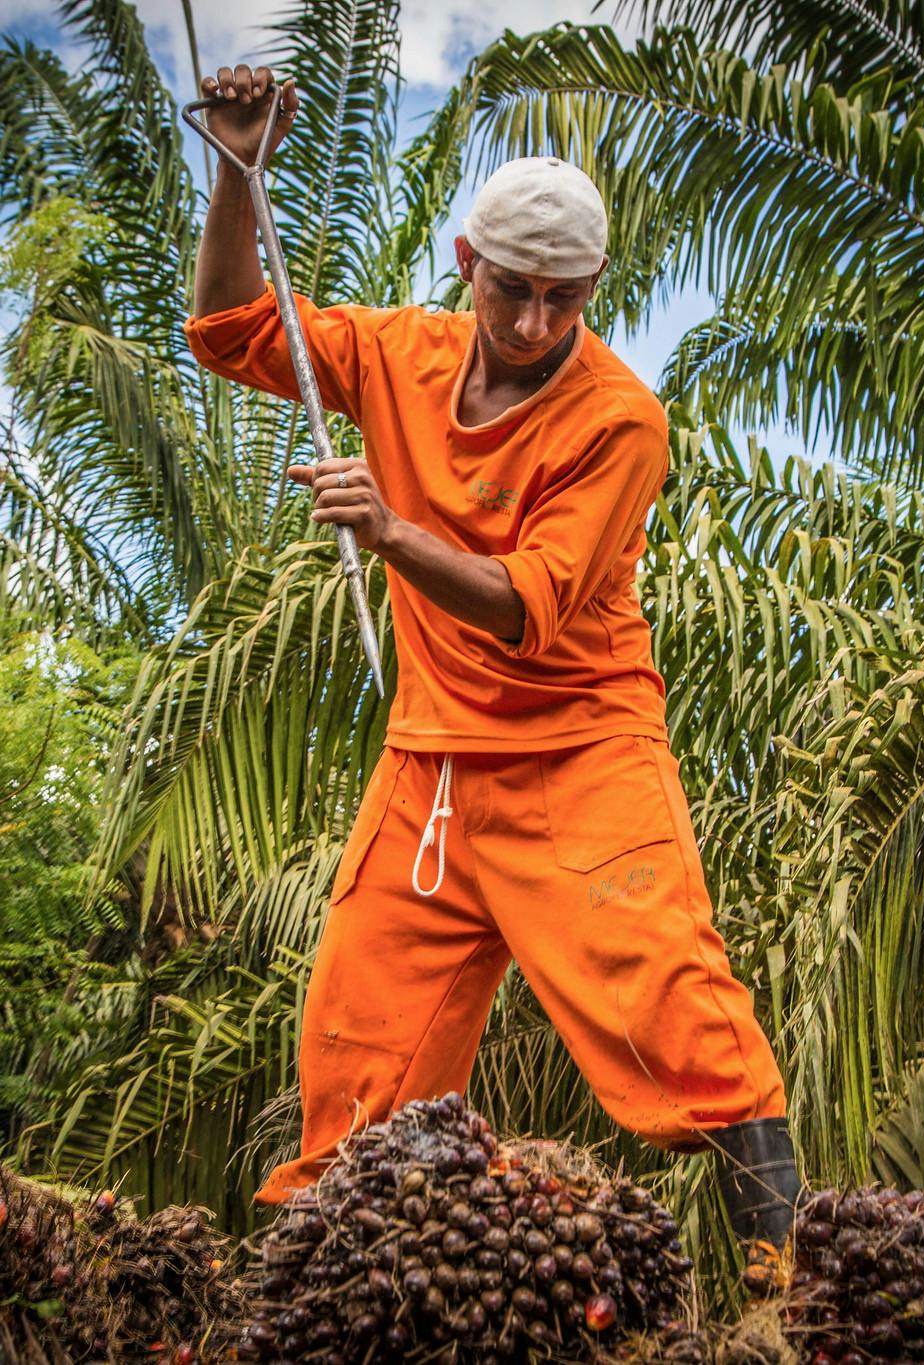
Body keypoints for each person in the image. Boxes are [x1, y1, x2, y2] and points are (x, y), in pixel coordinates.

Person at [185, 62, 801, 1252]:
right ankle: (322, 1305)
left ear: (593, 288)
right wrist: (234, 169)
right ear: (466, 263)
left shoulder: (618, 421)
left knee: (679, 1018)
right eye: (511, 290)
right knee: (354, 1065)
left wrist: (388, 531)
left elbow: (528, 608)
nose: (531, 325)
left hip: (580, 757)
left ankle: (793, 1300)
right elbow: (228, 331)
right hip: (431, 770)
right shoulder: (395, 354)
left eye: (562, 300)